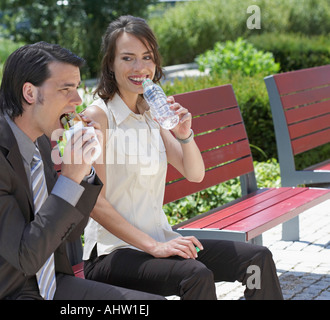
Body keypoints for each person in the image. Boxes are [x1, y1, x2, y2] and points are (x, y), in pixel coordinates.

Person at [0, 42, 164, 300]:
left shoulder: (39, 141)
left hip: (44, 284)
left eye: (77, 87)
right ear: (29, 93)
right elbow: (26, 256)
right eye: (66, 89)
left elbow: (70, 233)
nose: (78, 100)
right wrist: (70, 177)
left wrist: (83, 174)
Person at [82, 15, 283, 300]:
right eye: (128, 58)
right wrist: (154, 247)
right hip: (112, 254)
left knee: (257, 258)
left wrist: (185, 134)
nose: (140, 68)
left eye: (147, 57)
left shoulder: (150, 112)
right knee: (195, 275)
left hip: (160, 241)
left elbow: (194, 173)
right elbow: (95, 203)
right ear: (110, 65)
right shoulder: (99, 117)